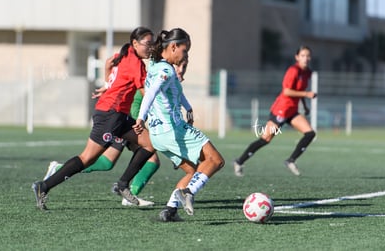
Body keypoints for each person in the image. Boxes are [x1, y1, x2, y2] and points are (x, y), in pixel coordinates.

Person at [32, 26, 156, 210]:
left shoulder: (125, 53)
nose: (151, 47)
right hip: (110, 115)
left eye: (152, 43)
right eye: (148, 43)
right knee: (87, 159)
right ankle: (44, 186)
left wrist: (108, 84)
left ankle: (123, 185)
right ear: (135, 43)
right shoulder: (136, 64)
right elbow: (146, 92)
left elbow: (108, 63)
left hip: (118, 114)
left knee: (149, 145)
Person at [134, 28, 225, 221]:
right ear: (173, 47)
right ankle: (189, 192)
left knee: (192, 170)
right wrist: (141, 118)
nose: (185, 56)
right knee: (216, 160)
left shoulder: (156, 66)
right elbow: (151, 93)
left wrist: (188, 108)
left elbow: (174, 91)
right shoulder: (166, 70)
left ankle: (170, 210)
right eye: (184, 51)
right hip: (173, 129)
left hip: (158, 136)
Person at [233, 45, 317, 177]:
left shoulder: (307, 72)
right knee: (265, 139)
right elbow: (287, 91)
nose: (305, 58)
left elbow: (300, 91)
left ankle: (291, 161)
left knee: (310, 133)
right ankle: (239, 161)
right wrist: (306, 94)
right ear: (297, 57)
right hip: (281, 110)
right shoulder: (293, 70)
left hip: (292, 111)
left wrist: (305, 106)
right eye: (302, 56)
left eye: (307, 56)